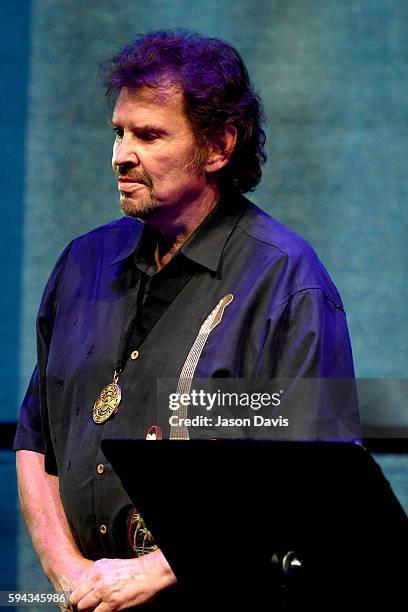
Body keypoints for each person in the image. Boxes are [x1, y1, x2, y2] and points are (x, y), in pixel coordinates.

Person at [14, 29, 357, 610]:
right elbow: (37, 439)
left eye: (149, 135)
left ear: (219, 147)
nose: (121, 154)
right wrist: (68, 571)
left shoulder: (285, 282)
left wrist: (155, 571)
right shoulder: (82, 263)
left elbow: (309, 478)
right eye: (119, 132)